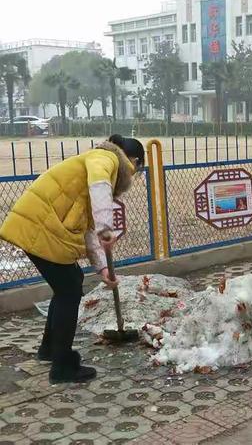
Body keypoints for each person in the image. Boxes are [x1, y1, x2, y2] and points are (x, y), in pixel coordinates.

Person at [0, 134, 145, 384]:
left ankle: (49, 350)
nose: (133, 176)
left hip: (42, 228)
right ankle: (62, 367)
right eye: (136, 169)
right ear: (132, 161)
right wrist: (106, 227)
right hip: (41, 228)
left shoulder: (94, 161)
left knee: (70, 282)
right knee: (69, 291)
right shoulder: (106, 158)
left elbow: (88, 229)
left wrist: (102, 269)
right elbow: (99, 188)